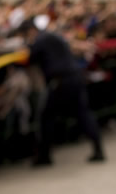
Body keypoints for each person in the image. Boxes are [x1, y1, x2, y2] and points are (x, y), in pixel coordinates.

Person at [18, 19, 105, 166]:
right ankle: (98, 149)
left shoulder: (40, 40)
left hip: (60, 82)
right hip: (74, 77)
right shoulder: (54, 36)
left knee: (46, 117)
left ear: (31, 31)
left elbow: (30, 58)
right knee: (83, 113)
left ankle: (44, 156)